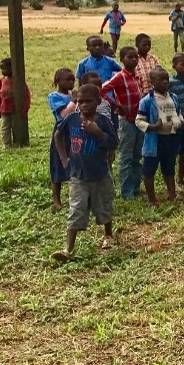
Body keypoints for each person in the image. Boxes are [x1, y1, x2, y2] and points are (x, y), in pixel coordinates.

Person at [52, 84, 119, 262]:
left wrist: (97, 133)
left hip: (100, 173)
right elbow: (58, 135)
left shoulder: (103, 121)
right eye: (80, 101)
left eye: (88, 101)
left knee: (104, 205)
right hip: (78, 175)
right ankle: (68, 248)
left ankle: (108, 236)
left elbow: (113, 143)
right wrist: (64, 158)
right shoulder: (72, 119)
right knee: (76, 209)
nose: (83, 105)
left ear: (98, 102)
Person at [137, 66, 184, 205]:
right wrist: (152, 127)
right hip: (154, 141)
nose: (165, 82)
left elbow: (178, 112)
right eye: (161, 79)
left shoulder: (173, 97)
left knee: (169, 167)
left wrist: (180, 121)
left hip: (170, 138)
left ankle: (172, 195)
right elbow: (139, 120)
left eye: (166, 79)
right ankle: (152, 199)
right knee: (149, 170)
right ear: (152, 81)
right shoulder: (147, 100)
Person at [102, 47, 144, 199]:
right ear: (122, 59)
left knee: (137, 155)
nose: (133, 60)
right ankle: (127, 192)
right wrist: (115, 104)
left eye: (135, 57)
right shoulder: (120, 77)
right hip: (126, 121)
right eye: (129, 57)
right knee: (126, 156)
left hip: (139, 120)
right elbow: (102, 90)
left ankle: (136, 187)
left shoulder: (137, 77)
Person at [47, 68, 78, 210]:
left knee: (76, 164)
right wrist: (74, 100)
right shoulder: (54, 97)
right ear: (58, 81)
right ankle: (56, 200)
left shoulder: (74, 95)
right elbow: (64, 114)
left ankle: (76, 197)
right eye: (68, 80)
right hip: (61, 134)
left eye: (73, 79)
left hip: (75, 133)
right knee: (57, 165)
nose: (71, 82)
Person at [0, 57, 30, 149]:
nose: (2, 71)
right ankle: (6, 144)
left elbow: (26, 95)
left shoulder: (18, 81)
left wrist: (25, 108)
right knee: (5, 127)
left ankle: (19, 142)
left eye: (4, 68)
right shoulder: (2, 80)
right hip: (4, 109)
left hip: (16, 109)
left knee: (17, 126)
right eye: (1, 69)